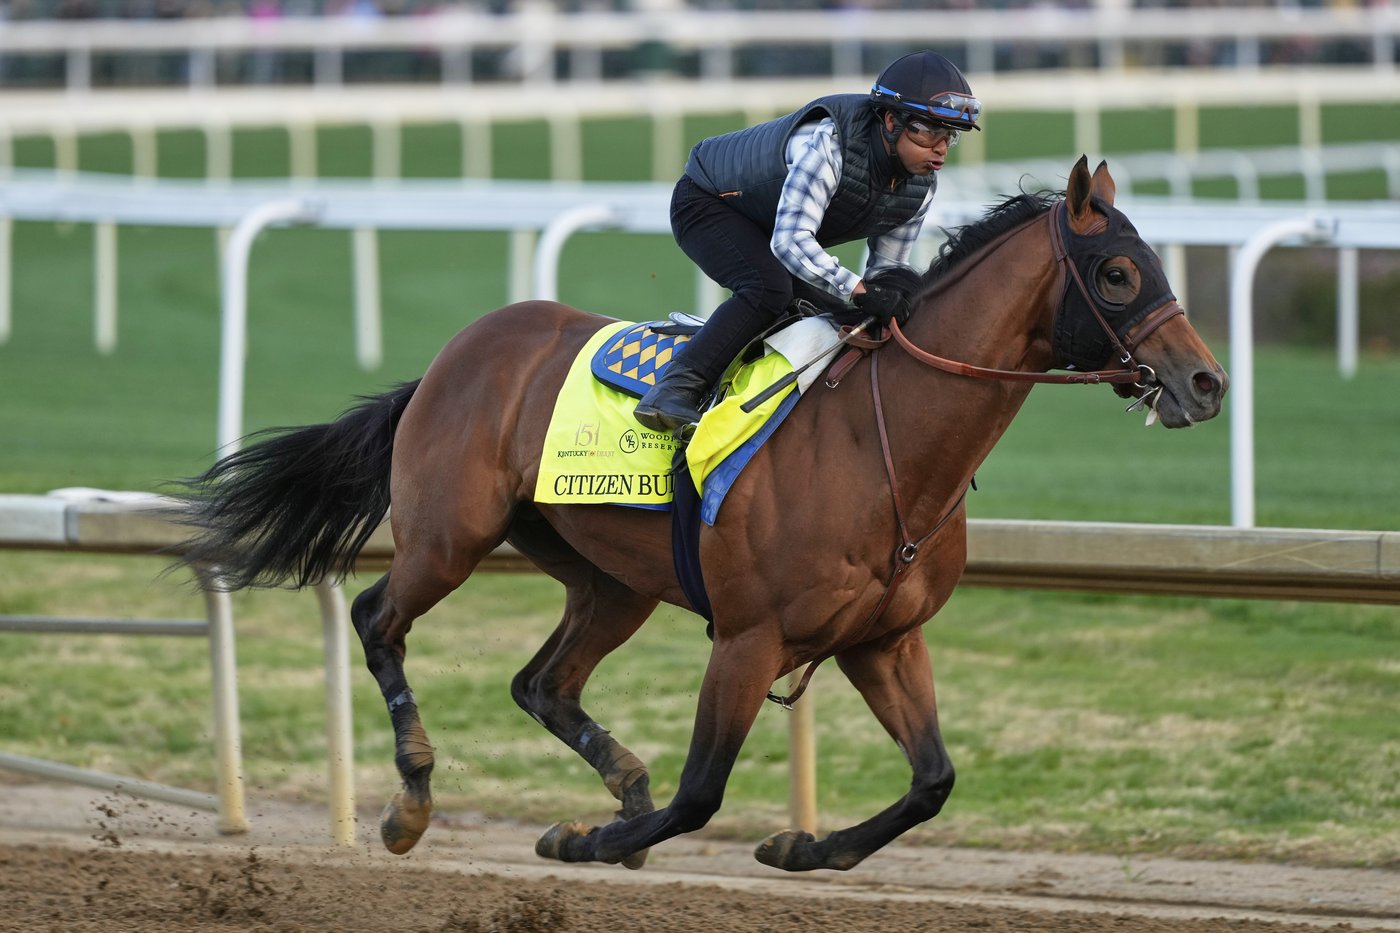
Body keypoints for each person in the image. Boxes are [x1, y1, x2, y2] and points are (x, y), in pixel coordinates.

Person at [633, 49, 982, 434]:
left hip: (769, 224)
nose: (940, 148)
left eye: (950, 135)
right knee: (768, 288)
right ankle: (675, 388)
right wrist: (859, 289)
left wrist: (889, 300)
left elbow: (886, 269)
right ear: (889, 120)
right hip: (707, 200)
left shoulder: (921, 185)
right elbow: (790, 242)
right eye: (929, 131)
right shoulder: (830, 143)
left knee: (837, 315)